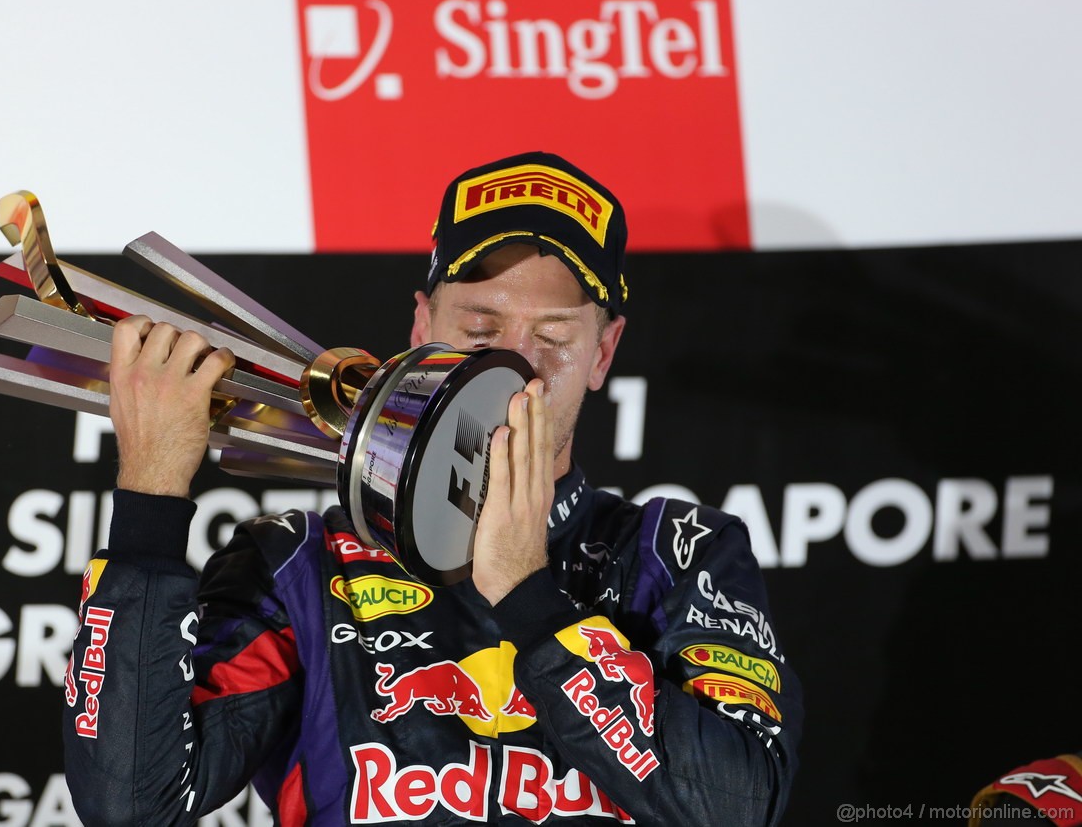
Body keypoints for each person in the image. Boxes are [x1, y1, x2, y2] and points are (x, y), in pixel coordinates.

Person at [62, 151, 803, 825]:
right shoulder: (300, 568)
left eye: (551, 338)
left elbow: (736, 808)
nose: (511, 368)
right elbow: (131, 804)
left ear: (602, 351)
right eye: (480, 330)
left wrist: (526, 591)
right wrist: (150, 500)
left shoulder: (678, 553)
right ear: (421, 328)